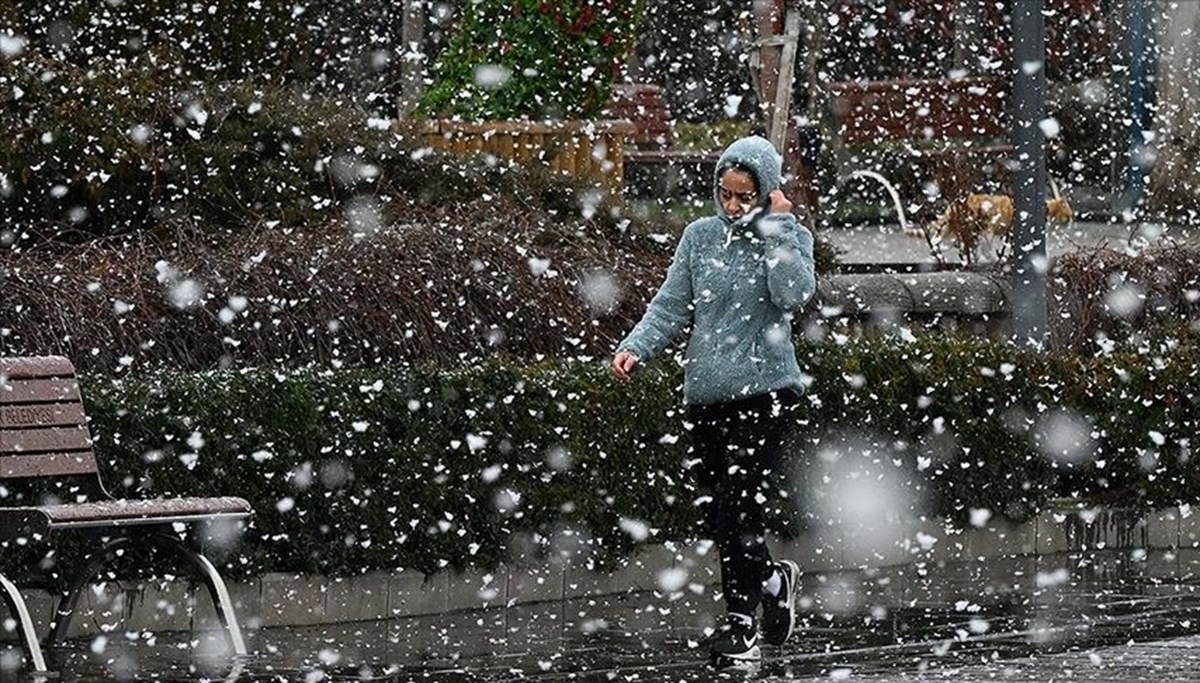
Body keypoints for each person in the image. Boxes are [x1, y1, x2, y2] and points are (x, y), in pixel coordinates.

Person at [611, 135, 816, 666]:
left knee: (738, 508)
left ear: (767, 192)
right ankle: (771, 579)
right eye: (725, 193)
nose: (732, 206)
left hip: (766, 393)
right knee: (718, 512)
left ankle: (741, 623)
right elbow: (671, 304)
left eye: (745, 196)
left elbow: (793, 294)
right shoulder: (699, 237)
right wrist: (636, 347)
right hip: (706, 395)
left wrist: (777, 227)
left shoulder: (788, 235)